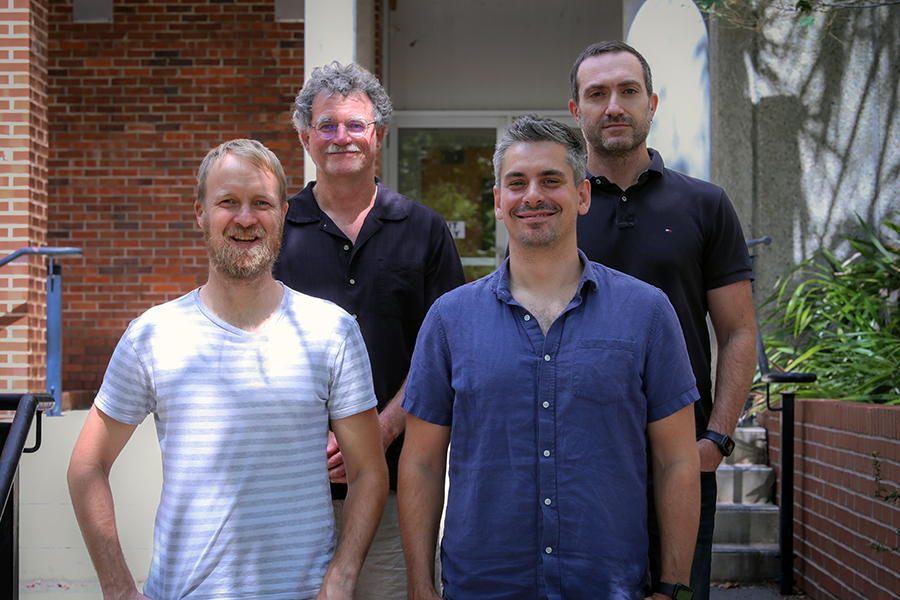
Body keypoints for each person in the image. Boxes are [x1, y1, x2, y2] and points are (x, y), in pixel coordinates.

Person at [67, 139, 388, 600]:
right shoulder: (152, 335)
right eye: (227, 203)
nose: (245, 218)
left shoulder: (331, 331)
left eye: (261, 203)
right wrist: (118, 589)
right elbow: (86, 466)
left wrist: (341, 578)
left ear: (282, 215)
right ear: (200, 213)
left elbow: (368, 472)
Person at [398, 115, 701, 600]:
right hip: (482, 588)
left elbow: (677, 461)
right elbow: (421, 465)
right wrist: (419, 587)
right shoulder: (449, 319)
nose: (532, 196)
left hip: (607, 587)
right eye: (516, 183)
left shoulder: (646, 312)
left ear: (582, 195)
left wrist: (674, 588)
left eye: (551, 180)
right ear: (498, 202)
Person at [568, 41, 759, 599]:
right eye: (597, 94)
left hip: (679, 466)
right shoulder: (555, 206)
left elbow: (739, 331)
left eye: (628, 91)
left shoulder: (703, 205)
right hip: (579, 467)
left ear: (651, 102)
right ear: (576, 111)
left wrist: (716, 440)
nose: (614, 107)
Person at [274, 62, 466, 598]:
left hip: (397, 488)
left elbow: (445, 354)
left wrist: (376, 431)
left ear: (378, 135)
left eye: (355, 125)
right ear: (305, 136)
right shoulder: (273, 228)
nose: (342, 137)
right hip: (292, 490)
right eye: (328, 125)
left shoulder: (423, 229)